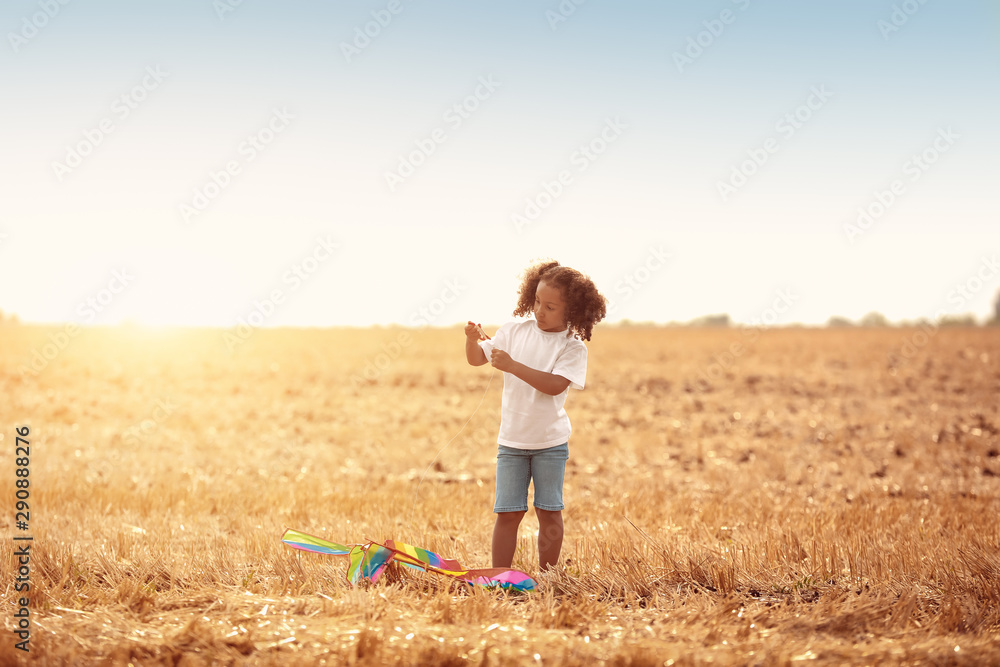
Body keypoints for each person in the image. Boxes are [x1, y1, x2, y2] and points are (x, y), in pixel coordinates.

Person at [464, 260, 607, 571]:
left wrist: (513, 366)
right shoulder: (514, 331)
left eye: (551, 307)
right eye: (538, 302)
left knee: (548, 510)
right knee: (508, 513)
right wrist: (472, 339)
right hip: (512, 443)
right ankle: (500, 575)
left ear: (572, 312)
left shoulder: (572, 347)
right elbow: (477, 359)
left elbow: (555, 386)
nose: (540, 311)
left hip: (550, 444)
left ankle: (548, 575)